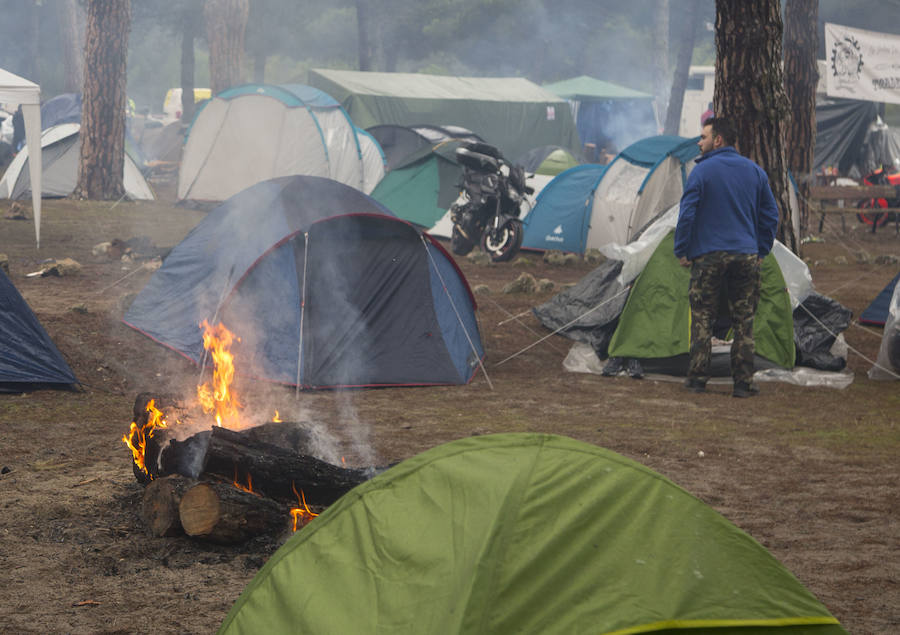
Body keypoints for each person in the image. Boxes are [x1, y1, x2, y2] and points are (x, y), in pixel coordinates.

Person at [674, 116, 779, 398]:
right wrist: (761, 249)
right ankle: (743, 383)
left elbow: (687, 215)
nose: (699, 141)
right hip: (745, 255)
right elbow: (771, 216)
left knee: (702, 316)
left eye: (703, 137)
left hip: (709, 255)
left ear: (718, 140)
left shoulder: (701, 172)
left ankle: (697, 379)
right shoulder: (755, 171)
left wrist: (682, 250)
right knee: (744, 319)